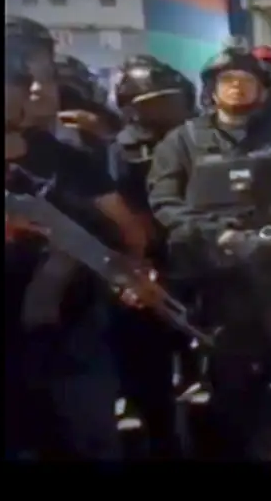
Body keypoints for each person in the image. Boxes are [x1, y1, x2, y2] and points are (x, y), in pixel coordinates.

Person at [147, 47, 271, 460]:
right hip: (216, 280)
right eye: (227, 80)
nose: (236, 87)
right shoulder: (182, 141)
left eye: (246, 80)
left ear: (262, 90)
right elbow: (165, 201)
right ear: (211, 90)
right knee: (229, 374)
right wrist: (219, 236)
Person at [4, 15, 127, 460]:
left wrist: (129, 271)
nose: (35, 90)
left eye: (41, 77)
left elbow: (123, 229)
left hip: (69, 336)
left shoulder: (69, 158)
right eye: (20, 77)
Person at [107, 56, 195, 458]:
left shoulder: (200, 139)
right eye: (156, 101)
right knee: (149, 367)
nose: (166, 108)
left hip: (198, 257)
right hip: (148, 265)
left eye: (171, 99)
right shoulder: (119, 151)